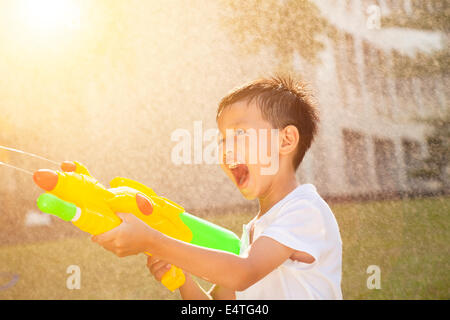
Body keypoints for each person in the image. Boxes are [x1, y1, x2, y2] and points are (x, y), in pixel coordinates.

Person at [92, 76, 343, 299]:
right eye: (223, 140)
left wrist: (154, 242)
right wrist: (182, 278)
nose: (227, 150)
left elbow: (244, 273)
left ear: (286, 140)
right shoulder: (256, 231)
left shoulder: (305, 211)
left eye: (240, 134)